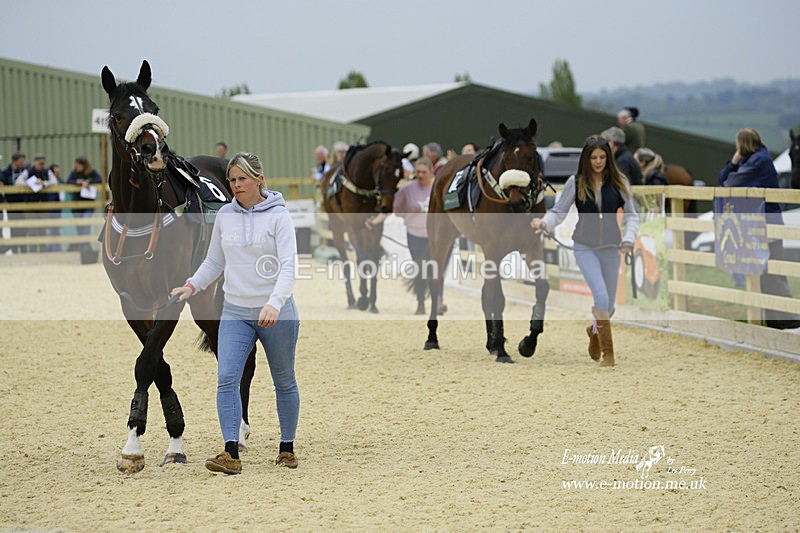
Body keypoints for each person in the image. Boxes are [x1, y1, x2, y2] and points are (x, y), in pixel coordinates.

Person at [171, 152, 301, 474]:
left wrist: (274, 302)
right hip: (235, 311)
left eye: (242, 179)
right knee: (227, 377)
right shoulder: (225, 216)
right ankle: (231, 452)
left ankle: (286, 448)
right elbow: (214, 261)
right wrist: (192, 286)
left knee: (283, 381)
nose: (236, 185)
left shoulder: (279, 217)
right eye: (232, 180)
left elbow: (289, 266)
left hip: (277, 312)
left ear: (259, 179)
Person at [531, 135, 639, 367]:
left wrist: (629, 239)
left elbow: (631, 216)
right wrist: (544, 223)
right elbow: (559, 211)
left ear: (608, 158)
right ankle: (608, 354)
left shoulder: (620, 182)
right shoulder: (576, 181)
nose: (598, 162)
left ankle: (594, 331)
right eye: (594, 157)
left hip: (611, 247)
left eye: (602, 157)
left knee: (608, 306)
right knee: (600, 296)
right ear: (586, 159)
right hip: (584, 247)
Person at [718, 127, 800, 329]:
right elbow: (723, 179)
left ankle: (788, 317)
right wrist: (734, 162)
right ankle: (774, 319)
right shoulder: (752, 160)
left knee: (773, 272)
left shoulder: (758, 161)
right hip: (758, 223)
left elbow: (729, 183)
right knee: (763, 273)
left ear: (742, 144)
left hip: (766, 223)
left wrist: (734, 164)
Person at [16, 154, 58, 253]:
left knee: (43, 229)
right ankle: (33, 250)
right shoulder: (28, 171)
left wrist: (44, 183)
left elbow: (55, 182)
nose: (41, 165)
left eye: (42, 163)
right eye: (39, 163)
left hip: (43, 204)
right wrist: (30, 183)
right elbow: (18, 182)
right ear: (34, 162)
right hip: (30, 204)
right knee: (32, 229)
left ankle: (43, 250)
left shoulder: (47, 171)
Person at [67, 156, 103, 250]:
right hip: (76, 204)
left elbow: (99, 179)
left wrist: (88, 182)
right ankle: (82, 245)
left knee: (86, 223)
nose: (77, 166)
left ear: (84, 165)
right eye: (76, 164)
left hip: (88, 204)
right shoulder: (74, 173)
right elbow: (68, 181)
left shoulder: (91, 172)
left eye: (79, 165)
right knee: (79, 225)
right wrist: (77, 182)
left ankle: (86, 245)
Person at [2, 151, 28, 253]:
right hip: (11, 203)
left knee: (23, 229)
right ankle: (14, 250)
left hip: (23, 203)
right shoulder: (5, 172)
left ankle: (24, 250)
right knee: (13, 227)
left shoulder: (25, 172)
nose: (22, 163)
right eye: (20, 161)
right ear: (14, 161)